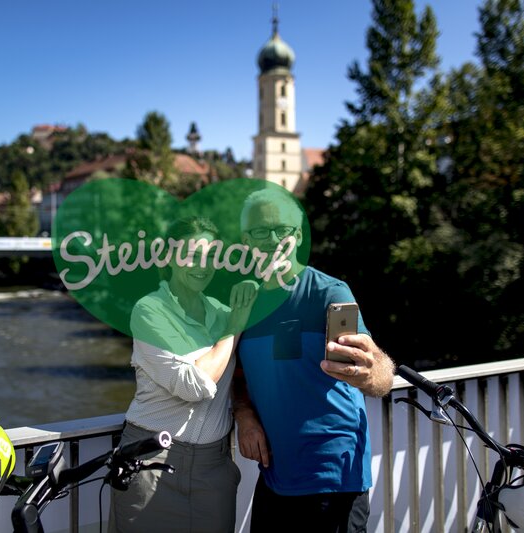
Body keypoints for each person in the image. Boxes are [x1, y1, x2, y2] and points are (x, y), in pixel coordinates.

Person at [231, 188, 395, 533]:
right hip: (275, 476)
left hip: (333, 477)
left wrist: (369, 371)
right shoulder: (246, 303)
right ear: (246, 240)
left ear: (299, 235)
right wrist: (244, 416)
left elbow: (381, 376)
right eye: (261, 231)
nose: (273, 240)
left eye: (283, 230)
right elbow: (240, 377)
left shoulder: (329, 293)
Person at [109, 216, 257, 533]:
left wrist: (244, 412)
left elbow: (247, 371)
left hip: (213, 470)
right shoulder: (149, 311)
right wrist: (234, 328)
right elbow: (195, 385)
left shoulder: (222, 311)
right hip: (148, 464)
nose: (201, 265)